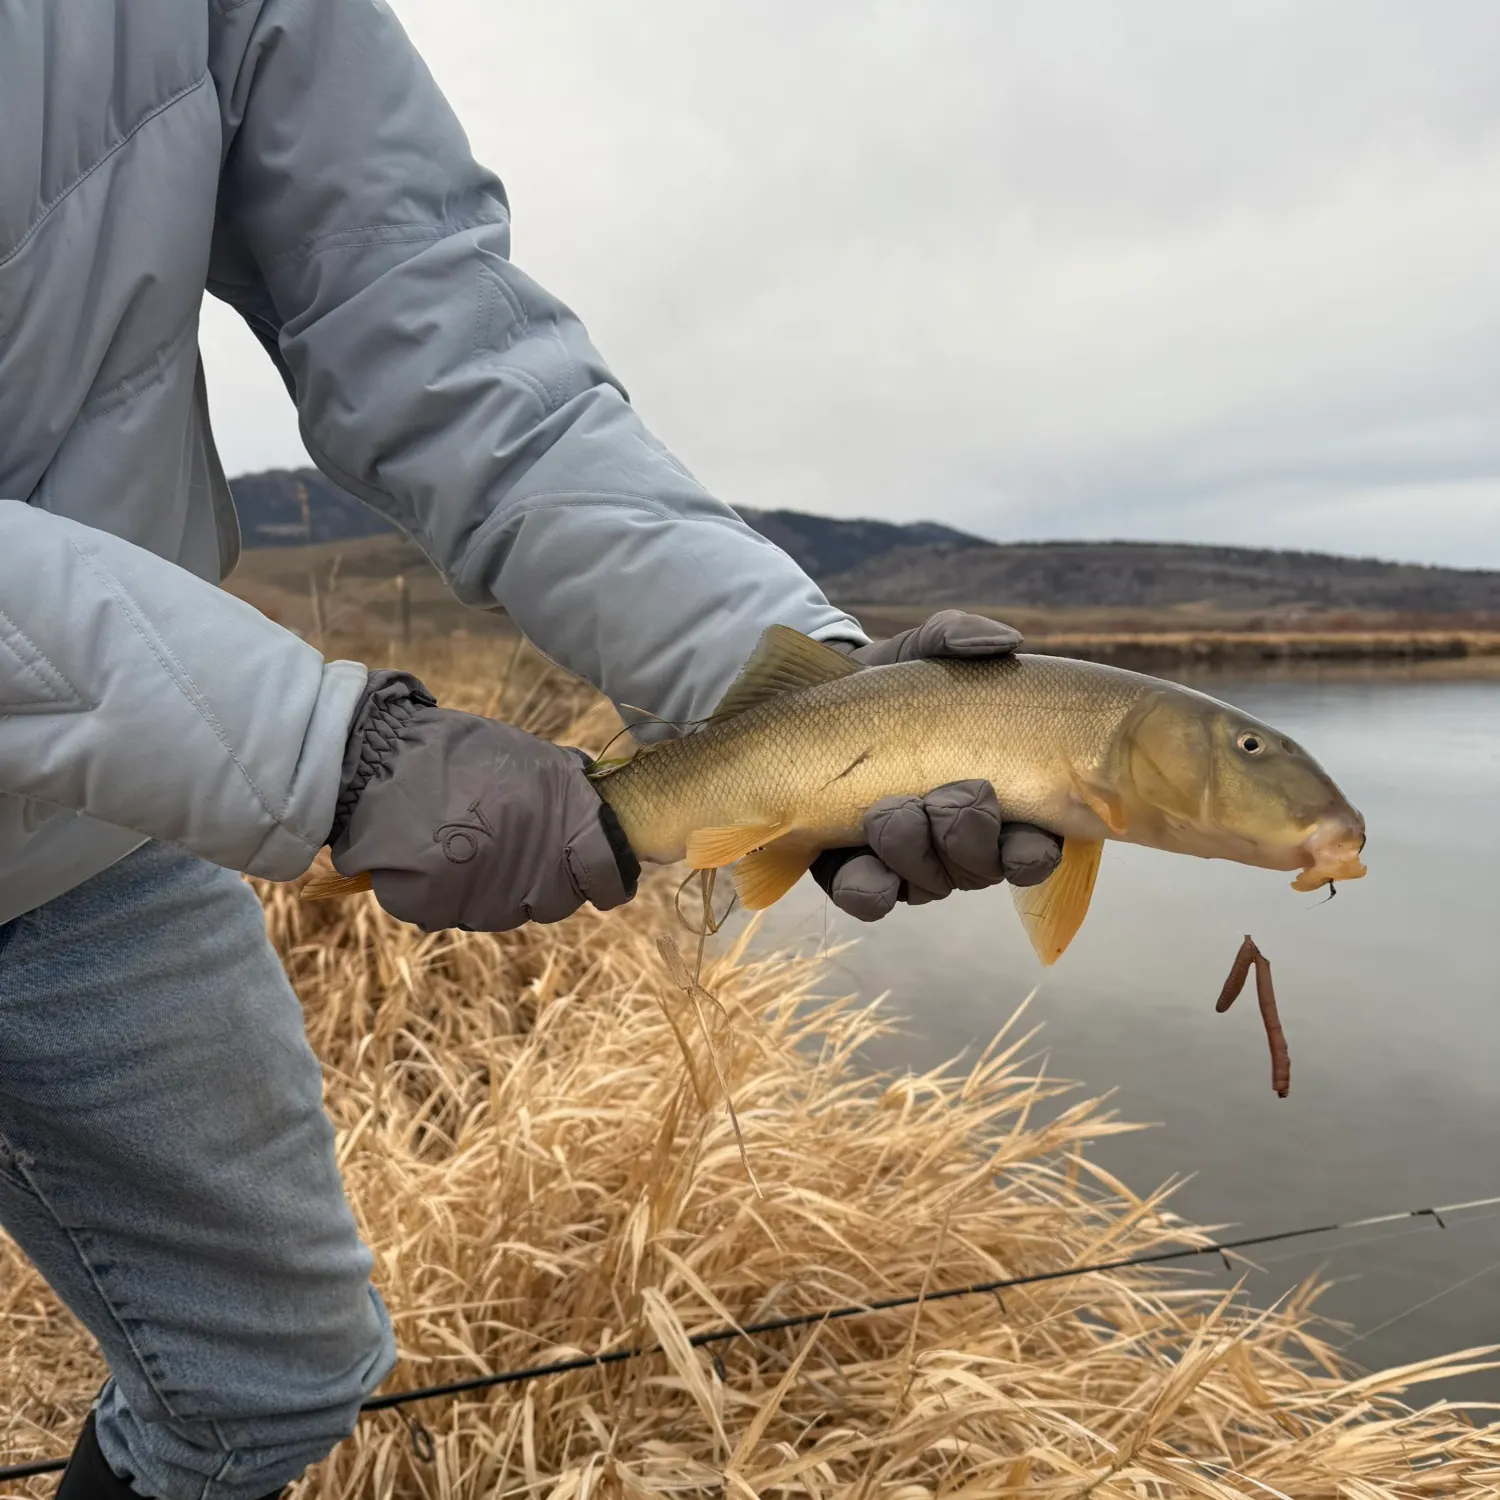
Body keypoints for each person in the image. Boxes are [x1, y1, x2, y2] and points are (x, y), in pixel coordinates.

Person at [0, 4, 1062, 1496]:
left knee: (269, 1377)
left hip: (74, 817)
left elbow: (429, 324)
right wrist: (334, 756)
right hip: (151, 742)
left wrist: (792, 694)